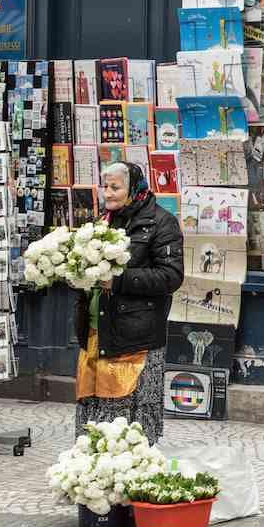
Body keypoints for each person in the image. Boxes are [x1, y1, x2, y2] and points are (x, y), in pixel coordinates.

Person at [74, 162, 183, 444]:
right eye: (104, 186)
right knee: (94, 402)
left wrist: (118, 281)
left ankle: (130, 467)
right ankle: (93, 464)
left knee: (132, 408)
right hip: (98, 330)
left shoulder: (162, 222)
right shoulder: (103, 221)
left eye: (115, 187)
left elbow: (170, 276)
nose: (107, 193)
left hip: (137, 336)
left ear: (134, 188)